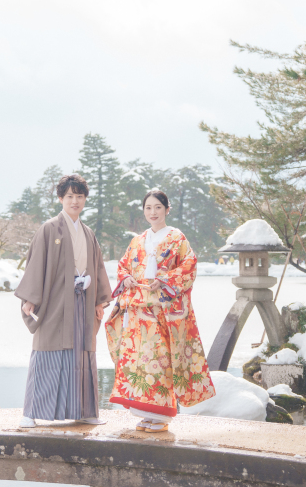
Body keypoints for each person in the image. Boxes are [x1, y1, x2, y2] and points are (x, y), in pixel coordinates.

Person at [105, 190, 215, 433]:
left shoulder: (177, 238)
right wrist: (128, 280)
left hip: (162, 311)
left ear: (167, 209)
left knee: (161, 361)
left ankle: (162, 416)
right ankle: (145, 413)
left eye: (157, 207)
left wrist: (164, 280)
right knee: (139, 362)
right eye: (148, 208)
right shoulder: (137, 240)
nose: (153, 213)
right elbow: (123, 266)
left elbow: (189, 266)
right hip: (137, 311)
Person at [14, 174, 112, 428]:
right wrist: (30, 299)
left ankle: (85, 410)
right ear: (60, 198)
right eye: (70, 196)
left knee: (82, 352)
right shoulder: (49, 229)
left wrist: (100, 300)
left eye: (80, 197)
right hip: (56, 302)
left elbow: (97, 267)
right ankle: (31, 412)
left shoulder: (88, 233)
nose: (75, 201)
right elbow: (36, 264)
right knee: (48, 350)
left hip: (82, 300)